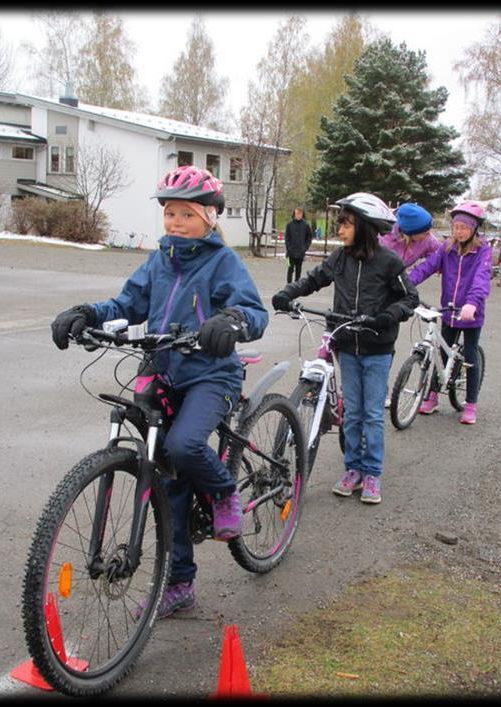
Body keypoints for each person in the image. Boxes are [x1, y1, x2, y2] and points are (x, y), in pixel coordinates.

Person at [50, 165, 268, 619]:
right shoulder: (159, 259)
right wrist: (87, 313)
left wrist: (231, 322)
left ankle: (225, 492)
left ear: (210, 217)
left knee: (185, 446)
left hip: (211, 375)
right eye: (169, 214)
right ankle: (180, 584)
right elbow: (126, 304)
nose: (174, 223)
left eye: (185, 215)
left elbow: (252, 310)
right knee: (166, 476)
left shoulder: (223, 262)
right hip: (162, 371)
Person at [271, 192, 418, 504]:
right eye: (340, 223)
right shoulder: (339, 259)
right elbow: (313, 279)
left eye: (347, 224)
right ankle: (352, 469)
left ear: (364, 227)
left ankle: (372, 473)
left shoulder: (389, 262)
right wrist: (288, 292)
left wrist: (388, 315)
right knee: (352, 412)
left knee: (372, 413)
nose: (340, 229)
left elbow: (410, 298)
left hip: (377, 348)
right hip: (347, 345)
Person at [408, 201, 492, 425]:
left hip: (470, 314)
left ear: (473, 228)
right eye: (456, 227)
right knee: (441, 354)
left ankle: (471, 403)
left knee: (470, 357)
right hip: (449, 311)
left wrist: (472, 303)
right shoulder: (446, 248)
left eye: (463, 227)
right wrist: (406, 284)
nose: (459, 231)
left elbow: (481, 279)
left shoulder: (482, 250)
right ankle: (433, 395)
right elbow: (426, 267)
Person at [378, 202, 439, 272]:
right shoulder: (384, 240)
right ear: (411, 233)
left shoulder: (428, 240)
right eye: (425, 233)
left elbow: (440, 254)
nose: (429, 234)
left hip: (402, 277)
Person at [283, 207, 313, 284]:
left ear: (302, 214)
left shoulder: (306, 225)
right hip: (290, 253)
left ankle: (296, 285)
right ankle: (288, 284)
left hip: (300, 252)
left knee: (298, 270)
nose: (298, 215)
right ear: (294, 214)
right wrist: (288, 247)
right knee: (290, 269)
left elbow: (309, 237)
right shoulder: (289, 225)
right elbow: (287, 237)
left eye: (300, 214)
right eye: (297, 214)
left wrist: (305, 247)